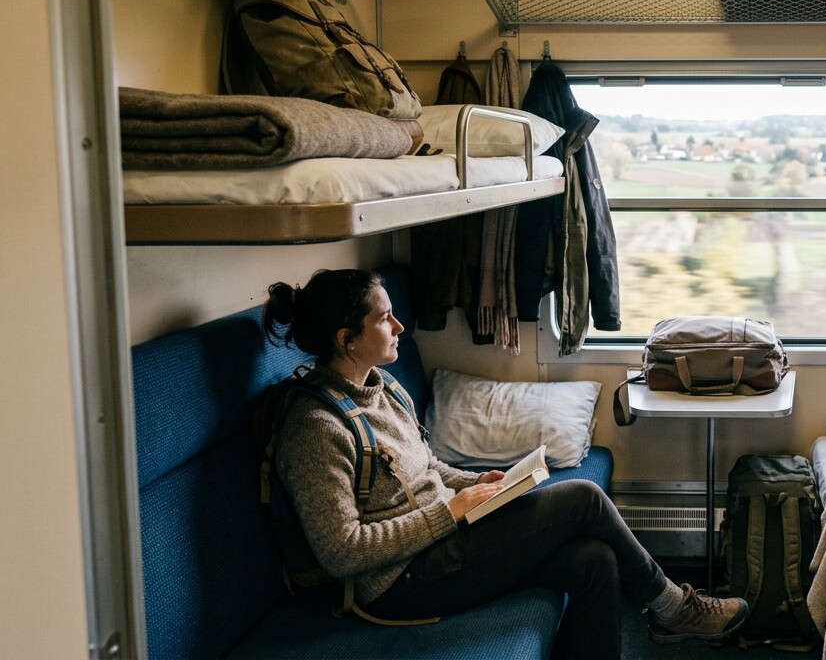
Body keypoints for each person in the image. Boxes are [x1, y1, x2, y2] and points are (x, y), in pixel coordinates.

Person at [263, 268, 748, 657]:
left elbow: (425, 467)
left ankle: (667, 610)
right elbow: (342, 551)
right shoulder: (316, 428)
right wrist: (451, 511)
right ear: (347, 338)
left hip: (442, 544)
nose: (400, 327)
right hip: (399, 583)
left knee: (593, 561)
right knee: (582, 497)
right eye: (385, 319)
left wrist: (480, 483)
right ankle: (672, 607)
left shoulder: (382, 387)